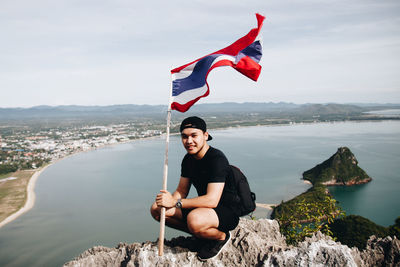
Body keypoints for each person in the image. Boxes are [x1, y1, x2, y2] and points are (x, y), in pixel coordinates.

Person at [150, 116, 240, 261]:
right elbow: (182, 191)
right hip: (204, 209)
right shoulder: (188, 159)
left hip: (226, 211)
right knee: (157, 209)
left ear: (205, 135)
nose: (189, 141)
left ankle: (220, 237)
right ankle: (201, 235)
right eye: (184, 137)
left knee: (194, 220)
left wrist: (175, 203)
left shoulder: (216, 159)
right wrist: (169, 200)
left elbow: (212, 200)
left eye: (194, 135)